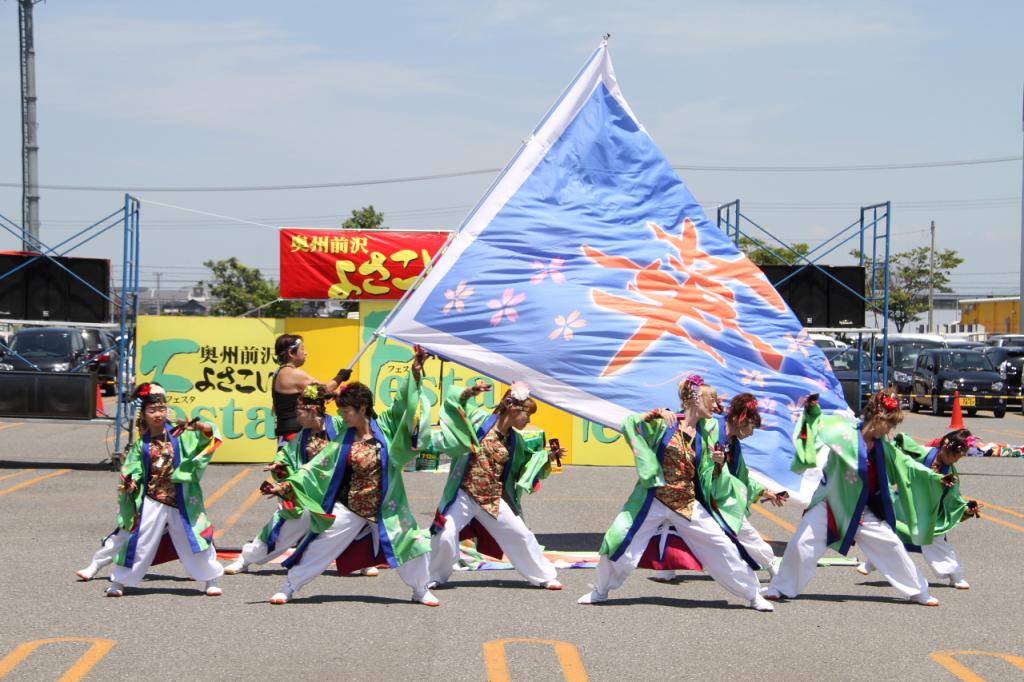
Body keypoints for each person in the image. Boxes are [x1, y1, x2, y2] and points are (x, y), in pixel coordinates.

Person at [578, 375, 774, 612]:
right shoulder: (664, 424)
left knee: (722, 545)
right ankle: (600, 590)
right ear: (694, 399)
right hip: (653, 498)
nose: (716, 405)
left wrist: (719, 463)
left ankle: (752, 595)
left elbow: (709, 473)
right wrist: (650, 415)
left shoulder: (709, 430)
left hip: (686, 502)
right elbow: (630, 425)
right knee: (619, 537)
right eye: (711, 399)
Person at [264, 346, 437, 606]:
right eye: (342, 410)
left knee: (411, 543)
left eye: (347, 410)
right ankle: (289, 587)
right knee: (320, 546)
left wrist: (415, 370)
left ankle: (420, 590)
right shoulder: (342, 437)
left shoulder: (386, 426)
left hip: (386, 505)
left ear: (362, 408)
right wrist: (286, 485)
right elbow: (316, 467)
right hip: (351, 503)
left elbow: (404, 402)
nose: (342, 415)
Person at [764, 389, 952, 606]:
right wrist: (813, 409)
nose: (890, 430)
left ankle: (919, 591)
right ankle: (780, 587)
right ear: (878, 418)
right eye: (889, 424)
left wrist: (935, 477)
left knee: (891, 545)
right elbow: (818, 423)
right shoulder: (843, 433)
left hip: (862, 509)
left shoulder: (882, 446)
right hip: (831, 503)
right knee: (802, 542)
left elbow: (906, 463)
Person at [427, 380, 565, 591]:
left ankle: (543, 576)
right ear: (512, 408)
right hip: (463, 493)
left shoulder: (516, 441)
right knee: (445, 533)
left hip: (491, 498)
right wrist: (470, 392)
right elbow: (457, 404)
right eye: (527, 413)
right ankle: (436, 575)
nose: (529, 419)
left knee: (520, 534)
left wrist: (547, 457)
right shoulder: (480, 421)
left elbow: (526, 464)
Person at [649, 392, 785, 583]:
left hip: (717, 495)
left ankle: (772, 568)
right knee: (674, 525)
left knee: (741, 530)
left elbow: (741, 475)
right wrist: (664, 412)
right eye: (752, 427)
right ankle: (667, 569)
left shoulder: (733, 444)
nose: (752, 433)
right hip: (697, 488)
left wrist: (765, 491)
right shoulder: (710, 425)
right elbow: (688, 416)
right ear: (740, 420)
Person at [105, 382, 224, 597]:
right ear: (144, 414)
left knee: (195, 538)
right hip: (153, 498)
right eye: (152, 410)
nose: (158, 414)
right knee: (139, 540)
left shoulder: (181, 434)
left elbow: (210, 434)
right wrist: (131, 481)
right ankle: (119, 581)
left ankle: (211, 579)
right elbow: (132, 469)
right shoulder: (142, 445)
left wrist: (196, 427)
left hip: (183, 499)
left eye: (161, 409)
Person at [224, 384, 349, 575]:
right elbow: (288, 455)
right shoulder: (303, 435)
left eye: (299, 413)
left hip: (337, 492)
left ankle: (361, 563)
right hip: (307, 495)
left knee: (353, 525)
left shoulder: (340, 425)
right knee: (280, 528)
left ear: (313, 410)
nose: (297, 418)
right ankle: (246, 559)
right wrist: (279, 464)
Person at [857, 428, 982, 589]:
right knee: (891, 533)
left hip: (928, 512)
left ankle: (954, 574)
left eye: (960, 456)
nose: (956, 459)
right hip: (905, 503)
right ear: (945, 445)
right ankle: (873, 562)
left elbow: (954, 498)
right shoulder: (922, 453)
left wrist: (966, 509)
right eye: (955, 454)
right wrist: (896, 443)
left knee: (935, 539)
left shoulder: (950, 472)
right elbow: (899, 455)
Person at [271, 334, 351, 447]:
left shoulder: (280, 373)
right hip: (296, 436)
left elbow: (308, 394)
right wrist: (341, 376)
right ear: (291, 353)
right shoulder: (292, 373)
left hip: (287, 435)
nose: (305, 352)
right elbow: (325, 389)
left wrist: (323, 396)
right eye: (302, 349)